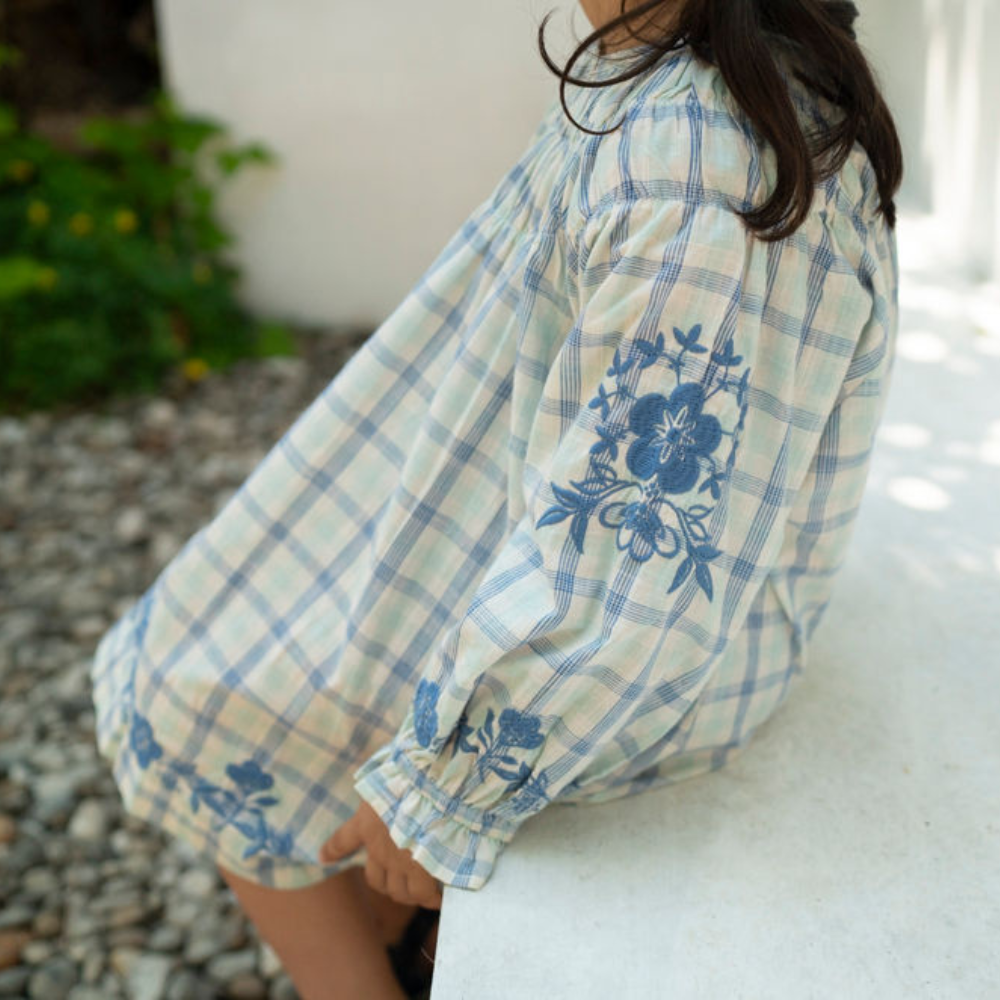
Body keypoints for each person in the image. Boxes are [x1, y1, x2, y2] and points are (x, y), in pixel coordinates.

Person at [88, 0, 903, 996]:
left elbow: (633, 585)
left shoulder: (701, 176)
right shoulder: (689, 73)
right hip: (534, 499)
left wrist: (444, 790)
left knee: (204, 692)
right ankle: (397, 936)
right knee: (243, 626)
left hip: (631, 656)